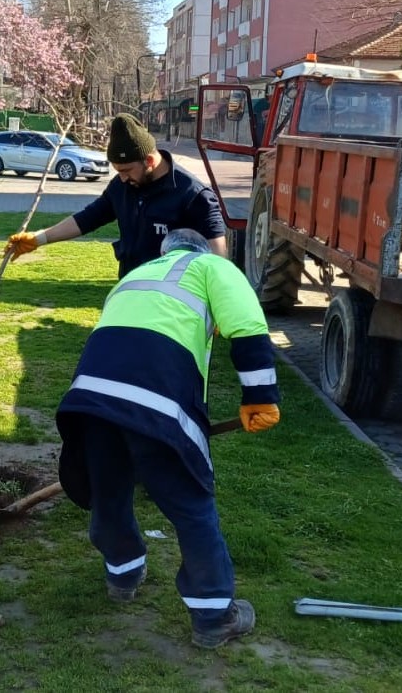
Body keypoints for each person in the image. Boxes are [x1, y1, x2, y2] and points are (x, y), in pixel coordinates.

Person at [54, 228, 281, 649]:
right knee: (191, 505)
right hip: (154, 397)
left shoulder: (136, 275)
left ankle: (122, 574)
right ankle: (214, 616)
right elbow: (248, 328)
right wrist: (260, 396)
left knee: (110, 489)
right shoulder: (215, 267)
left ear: (165, 252)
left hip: (89, 397)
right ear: (201, 250)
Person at [6, 114, 227, 277]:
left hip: (176, 302)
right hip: (130, 291)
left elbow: (218, 254)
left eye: (126, 171)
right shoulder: (122, 187)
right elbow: (87, 218)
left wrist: (218, 300)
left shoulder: (194, 195)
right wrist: (38, 239)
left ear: (149, 161)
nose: (121, 178)